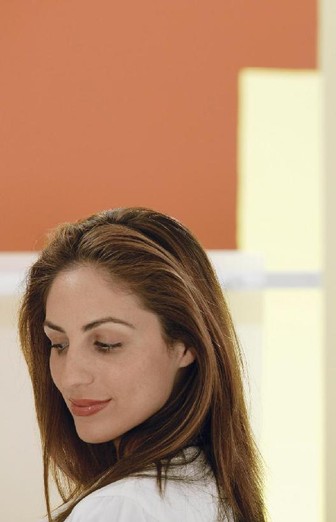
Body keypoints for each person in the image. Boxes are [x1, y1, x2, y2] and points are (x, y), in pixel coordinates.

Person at [18, 208, 265, 522]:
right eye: (58, 344)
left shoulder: (122, 508)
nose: (70, 377)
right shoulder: (207, 487)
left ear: (185, 344)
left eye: (107, 343)